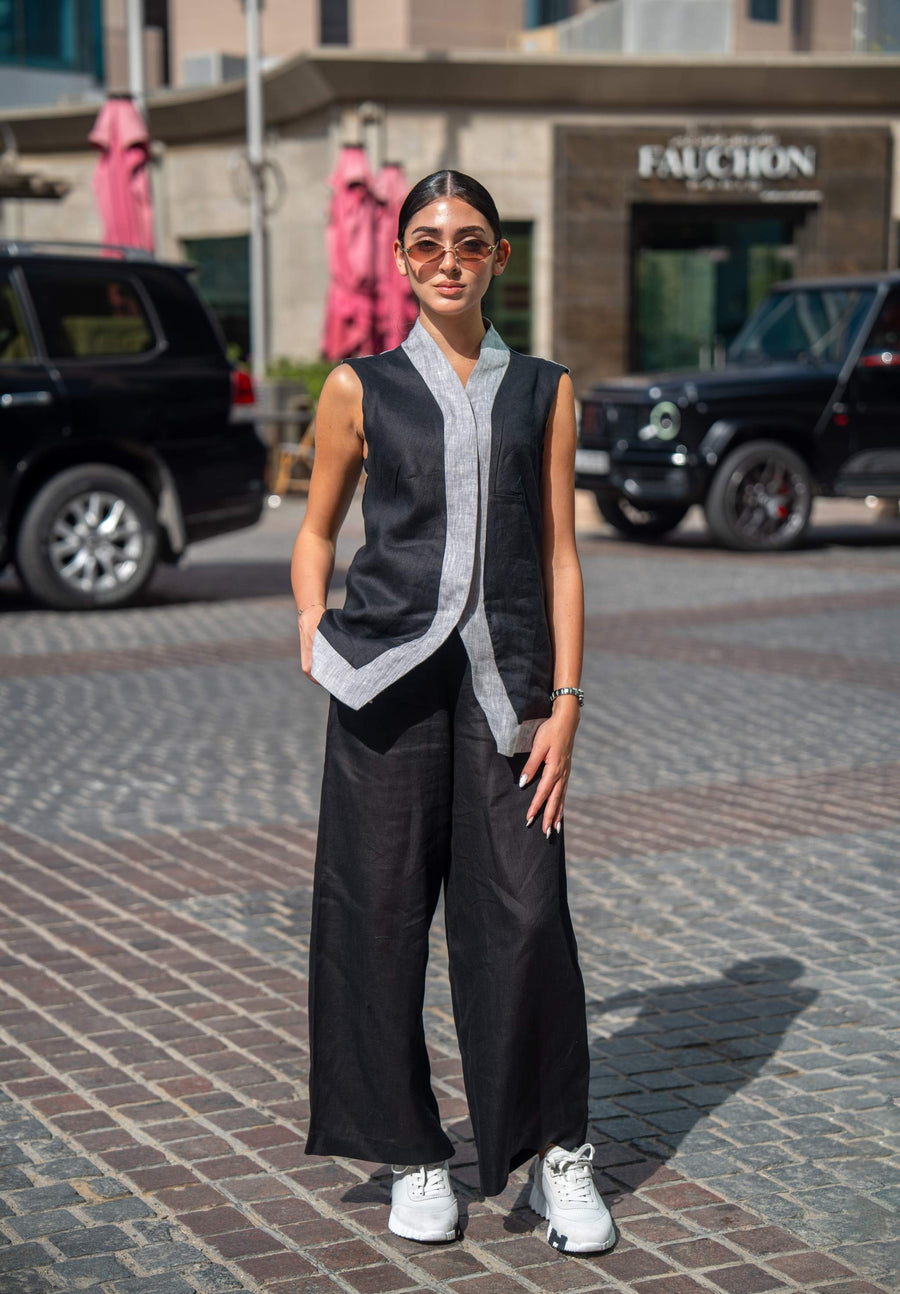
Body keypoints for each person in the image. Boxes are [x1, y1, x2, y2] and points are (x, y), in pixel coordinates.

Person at [291, 170, 614, 1255]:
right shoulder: (357, 387)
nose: (447, 260)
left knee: (526, 916)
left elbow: (563, 556)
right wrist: (308, 624)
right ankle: (414, 1154)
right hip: (382, 685)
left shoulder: (546, 390)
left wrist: (567, 699)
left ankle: (554, 1152)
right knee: (375, 917)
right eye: (426, 242)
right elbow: (317, 527)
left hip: (510, 692)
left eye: (468, 243)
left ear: (498, 260)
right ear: (399, 257)